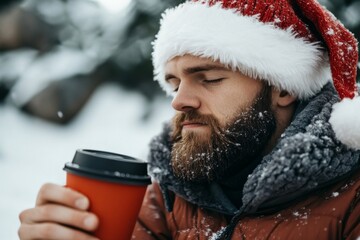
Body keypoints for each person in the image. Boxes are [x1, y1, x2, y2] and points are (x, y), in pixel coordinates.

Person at [18, 0, 360, 239]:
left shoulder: (352, 200)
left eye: (208, 78)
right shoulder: (168, 196)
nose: (179, 101)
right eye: (174, 82)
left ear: (283, 88)